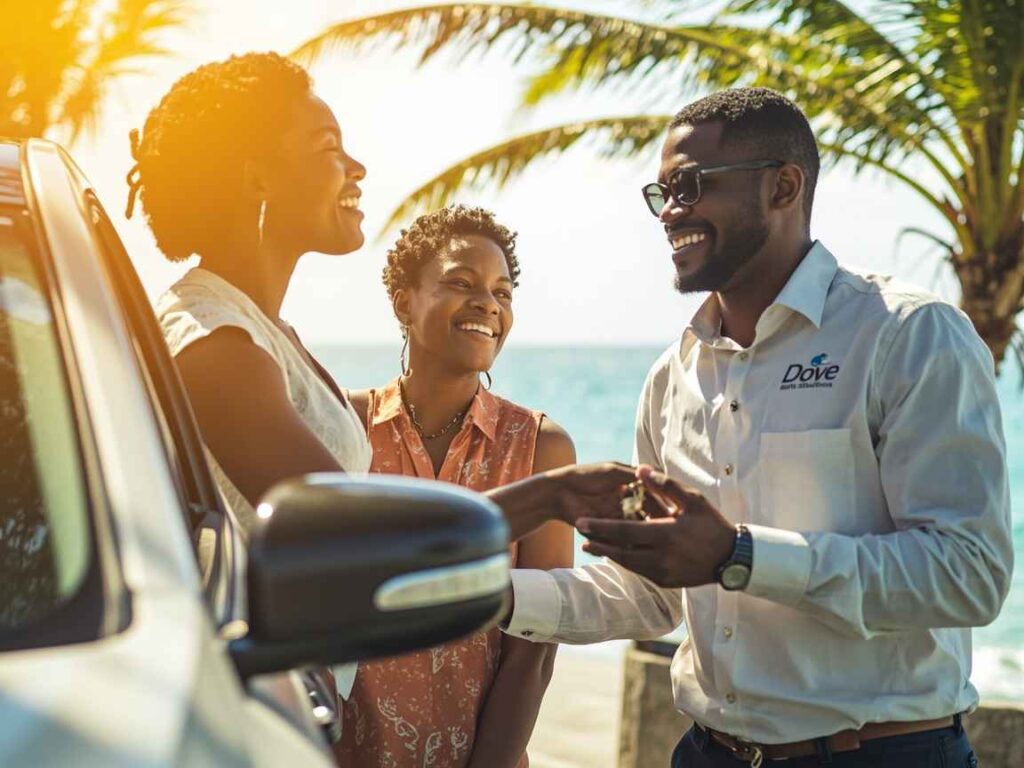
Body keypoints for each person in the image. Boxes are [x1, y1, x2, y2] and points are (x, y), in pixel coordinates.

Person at [126, 50, 633, 737]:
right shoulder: (216, 343)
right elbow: (355, 550)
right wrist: (549, 496)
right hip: (241, 721)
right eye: (328, 146)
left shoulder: (262, 332)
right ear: (256, 177)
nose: (356, 168)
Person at [503, 88, 1013, 767]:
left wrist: (739, 556)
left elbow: (969, 574)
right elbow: (655, 600)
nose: (671, 212)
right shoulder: (671, 377)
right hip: (707, 753)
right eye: (662, 194)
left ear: (784, 186)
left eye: (690, 186)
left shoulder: (907, 335)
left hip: (883, 754)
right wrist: (486, 598)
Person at [334, 205, 573, 767]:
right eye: (461, 283)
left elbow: (535, 647)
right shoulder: (345, 425)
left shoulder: (540, 446)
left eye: (502, 292)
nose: (488, 304)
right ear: (404, 303)